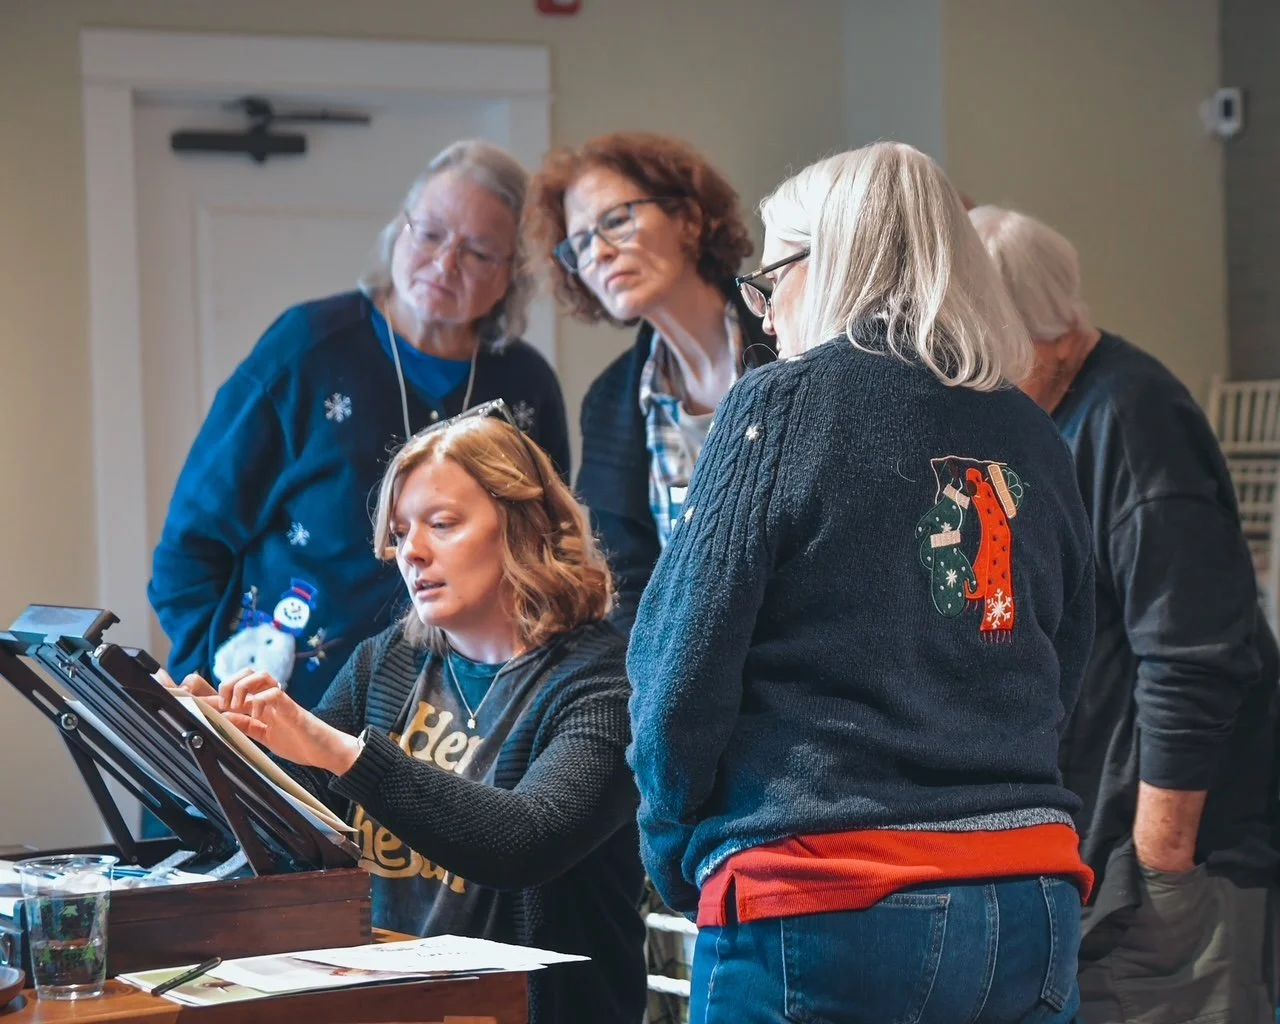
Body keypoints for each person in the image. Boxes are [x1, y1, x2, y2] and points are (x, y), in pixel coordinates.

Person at [627, 143, 1097, 1023]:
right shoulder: (1032, 431)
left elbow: (680, 662)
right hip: (1032, 891)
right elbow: (1066, 653)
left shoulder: (781, 406)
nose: (764, 317)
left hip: (826, 893)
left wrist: (672, 845)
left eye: (771, 280)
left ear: (831, 264)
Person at [176, 401, 645, 1024]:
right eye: (399, 534)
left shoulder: (605, 681)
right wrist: (206, 742)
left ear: (524, 524)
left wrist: (339, 750)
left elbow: (527, 842)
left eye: (442, 524)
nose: (411, 553)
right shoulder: (388, 662)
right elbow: (294, 821)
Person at [971, 204, 1280, 1024]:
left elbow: (1195, 655)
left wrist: (1160, 862)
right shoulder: (1038, 415)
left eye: (994, 354)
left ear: (1058, 332)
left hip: (1172, 857)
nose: (978, 382)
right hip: (1091, 849)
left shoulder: (1131, 418)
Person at [149, 140, 571, 714]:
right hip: (274, 708)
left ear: (511, 276)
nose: (445, 263)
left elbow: (545, 558)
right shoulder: (306, 348)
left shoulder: (527, 387)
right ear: (400, 230)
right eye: (430, 234)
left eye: (477, 252)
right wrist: (212, 681)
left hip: (450, 734)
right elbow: (189, 548)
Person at [525, 132, 773, 630]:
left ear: (689, 219)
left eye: (616, 221)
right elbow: (627, 584)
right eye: (580, 244)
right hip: (690, 680)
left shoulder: (794, 337)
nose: (599, 253)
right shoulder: (608, 401)